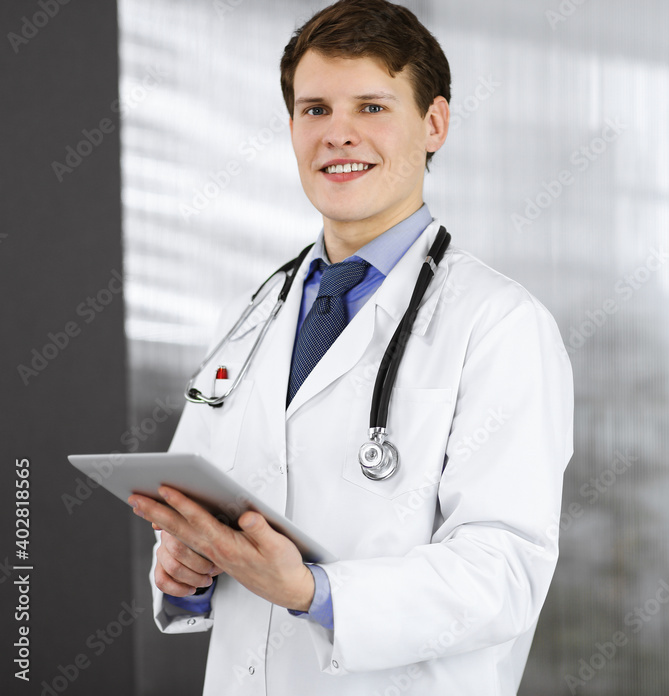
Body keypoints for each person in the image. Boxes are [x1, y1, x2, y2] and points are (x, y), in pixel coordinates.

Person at [127, 1, 574, 694]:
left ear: (434, 124)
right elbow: (203, 500)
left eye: (371, 107)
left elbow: (504, 571)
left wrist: (314, 591)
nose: (337, 134)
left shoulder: (501, 325)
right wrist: (185, 572)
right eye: (314, 110)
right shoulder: (252, 316)